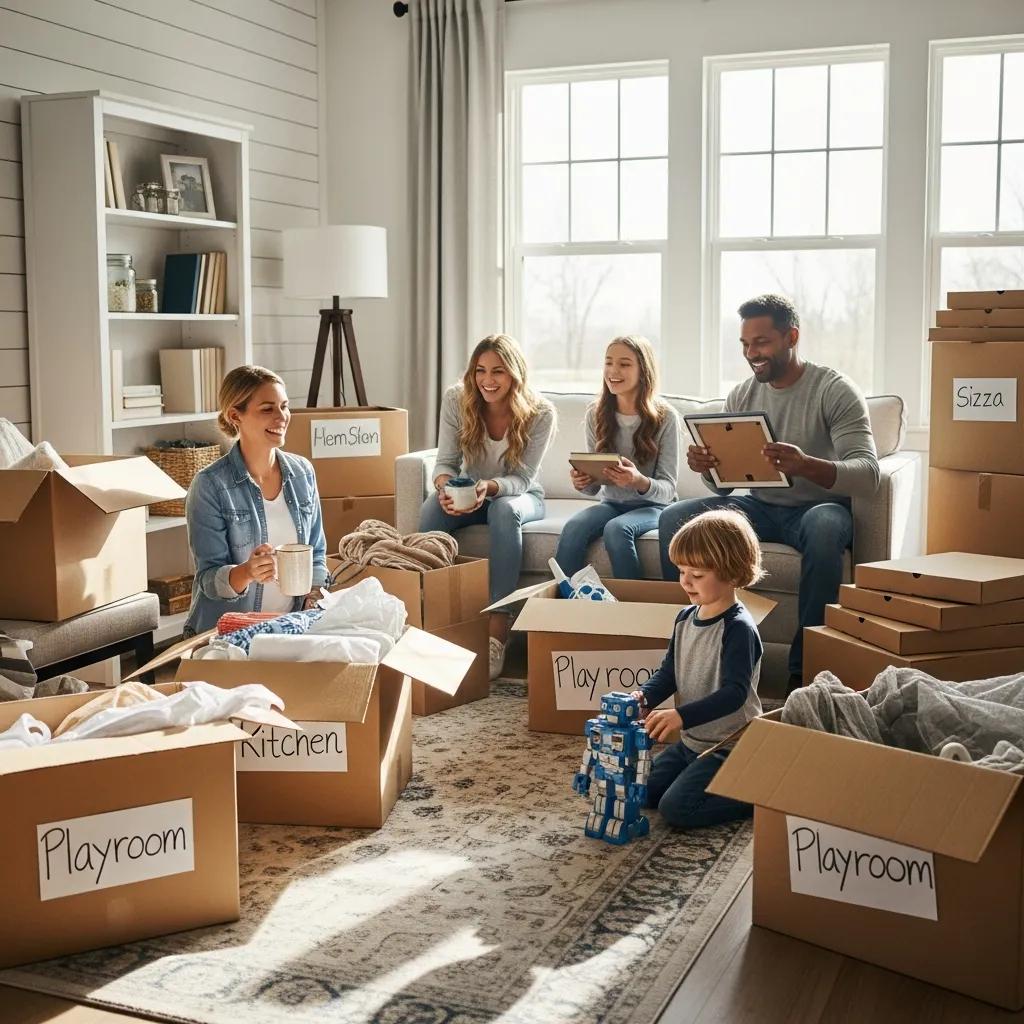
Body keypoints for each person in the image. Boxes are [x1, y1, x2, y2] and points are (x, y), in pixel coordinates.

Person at [658, 294, 879, 688]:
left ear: (791, 336)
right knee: (675, 517)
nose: (751, 353)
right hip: (758, 506)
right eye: (745, 344)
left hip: (817, 508)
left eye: (761, 342)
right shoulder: (742, 395)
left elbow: (867, 474)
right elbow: (726, 486)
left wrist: (806, 464)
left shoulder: (833, 390)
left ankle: (806, 673)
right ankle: (686, 645)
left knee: (825, 527)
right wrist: (708, 470)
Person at [420, 334, 556, 679]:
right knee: (432, 509)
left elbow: (522, 479)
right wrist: (445, 488)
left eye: (497, 371)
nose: (487, 380)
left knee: (503, 509)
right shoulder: (457, 400)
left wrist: (490, 487)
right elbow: (445, 462)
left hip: (521, 497)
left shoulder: (541, 413)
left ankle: (498, 628)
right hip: (473, 492)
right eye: (480, 371)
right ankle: (428, 614)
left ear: (514, 375)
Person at [633, 509, 764, 829]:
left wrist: (680, 716)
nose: (685, 581)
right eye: (681, 571)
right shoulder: (684, 618)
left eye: (697, 574)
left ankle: (755, 796)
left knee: (676, 809)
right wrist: (645, 697)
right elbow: (669, 672)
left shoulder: (738, 628)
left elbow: (734, 695)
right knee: (642, 793)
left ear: (732, 574)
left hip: (728, 744)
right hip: (692, 741)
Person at [184, 366, 327, 637]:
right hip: (227, 633)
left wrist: (314, 600)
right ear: (235, 415)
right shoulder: (210, 485)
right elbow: (208, 579)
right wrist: (246, 572)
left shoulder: (302, 473)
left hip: (290, 626)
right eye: (267, 409)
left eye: (284, 406)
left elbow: (317, 553)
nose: (281, 417)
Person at [555, 336, 679, 580]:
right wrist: (583, 481)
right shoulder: (596, 414)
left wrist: (638, 481)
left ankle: (631, 607)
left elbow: (668, 488)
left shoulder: (666, 417)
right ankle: (563, 604)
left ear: (643, 371)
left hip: (655, 506)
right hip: (611, 503)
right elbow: (593, 488)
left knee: (617, 530)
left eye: (624, 364)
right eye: (608, 362)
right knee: (573, 528)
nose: (613, 370)